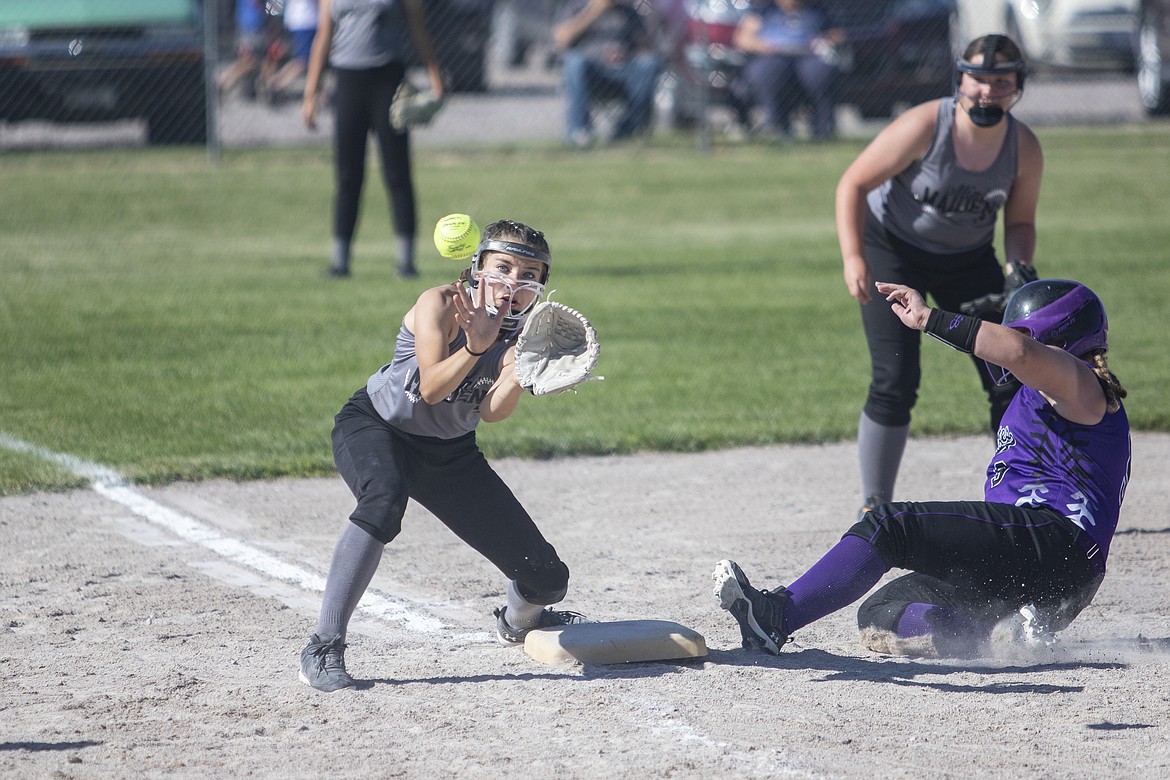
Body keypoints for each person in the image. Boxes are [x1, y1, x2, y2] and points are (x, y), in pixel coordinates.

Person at [713, 277, 1130, 658]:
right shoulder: (1045, 395)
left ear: (1059, 337)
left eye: (1022, 332)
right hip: (1035, 572)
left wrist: (929, 318)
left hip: (1054, 545)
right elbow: (1023, 354)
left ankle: (774, 617)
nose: (1010, 341)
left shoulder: (1083, 388)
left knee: (889, 526)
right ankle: (999, 636)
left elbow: (1021, 353)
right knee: (880, 610)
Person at [299, 219, 588, 692]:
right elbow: (431, 388)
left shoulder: (521, 339)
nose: (513, 284)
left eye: (528, 276)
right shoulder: (439, 304)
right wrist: (477, 346)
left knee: (546, 578)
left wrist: (518, 372)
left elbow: (492, 413)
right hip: (377, 427)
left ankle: (516, 622)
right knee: (383, 501)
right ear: (477, 268)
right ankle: (324, 644)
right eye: (503, 268)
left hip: (450, 454)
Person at [834, 34, 1044, 516]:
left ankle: (1025, 493)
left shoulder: (1023, 148)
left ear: (1018, 87)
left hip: (969, 260)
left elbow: (1020, 222)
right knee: (896, 377)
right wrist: (854, 257)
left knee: (1009, 372)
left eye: (1000, 81)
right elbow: (854, 182)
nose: (987, 92)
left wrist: (1018, 267)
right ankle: (875, 506)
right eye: (977, 80)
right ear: (960, 80)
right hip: (891, 249)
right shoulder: (928, 124)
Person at [302, 0, 444, 279]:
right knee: (348, 176)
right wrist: (310, 93)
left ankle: (406, 262)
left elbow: (418, 29)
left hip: (387, 80)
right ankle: (339, 263)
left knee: (397, 173)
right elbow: (323, 36)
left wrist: (436, 77)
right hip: (347, 81)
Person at [552, 0, 662, 149]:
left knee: (649, 64)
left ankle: (628, 130)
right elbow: (561, 38)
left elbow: (645, 46)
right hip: (592, 73)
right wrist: (594, 11)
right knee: (574, 62)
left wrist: (628, 55)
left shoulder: (627, 11)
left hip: (622, 73)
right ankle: (579, 133)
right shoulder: (576, 6)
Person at [732, 0, 844, 141]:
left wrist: (823, 41)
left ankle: (823, 128)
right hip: (773, 56)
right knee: (765, 72)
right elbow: (742, 39)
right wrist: (762, 46)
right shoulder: (764, 11)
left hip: (808, 56)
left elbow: (838, 34)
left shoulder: (818, 10)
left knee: (821, 72)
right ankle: (777, 126)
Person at [265, 0, 319, 103]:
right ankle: (275, 84)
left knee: (302, 60)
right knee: (303, 62)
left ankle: (274, 83)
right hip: (305, 20)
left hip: (297, 19)